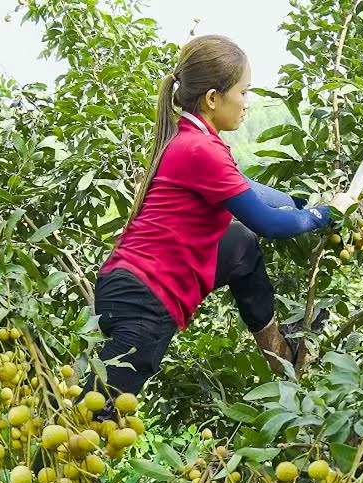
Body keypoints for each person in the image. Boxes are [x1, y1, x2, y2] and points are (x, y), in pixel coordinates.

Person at [84, 35, 349, 404]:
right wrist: (324, 214)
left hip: (130, 286)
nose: (246, 103)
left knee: (240, 243)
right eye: (243, 92)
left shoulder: (192, 139)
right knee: (95, 415)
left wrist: (302, 202)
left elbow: (247, 190)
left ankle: (279, 348)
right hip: (145, 299)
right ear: (213, 98)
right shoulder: (200, 149)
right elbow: (270, 224)